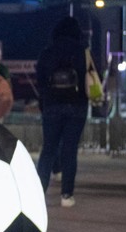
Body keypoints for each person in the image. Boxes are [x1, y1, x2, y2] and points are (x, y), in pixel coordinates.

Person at [35, 16, 94, 208]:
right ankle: (66, 195)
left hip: (52, 105)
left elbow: (40, 80)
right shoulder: (82, 52)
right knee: (70, 150)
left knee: (48, 149)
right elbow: (92, 77)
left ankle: (38, 192)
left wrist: (45, 99)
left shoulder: (47, 52)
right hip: (77, 105)